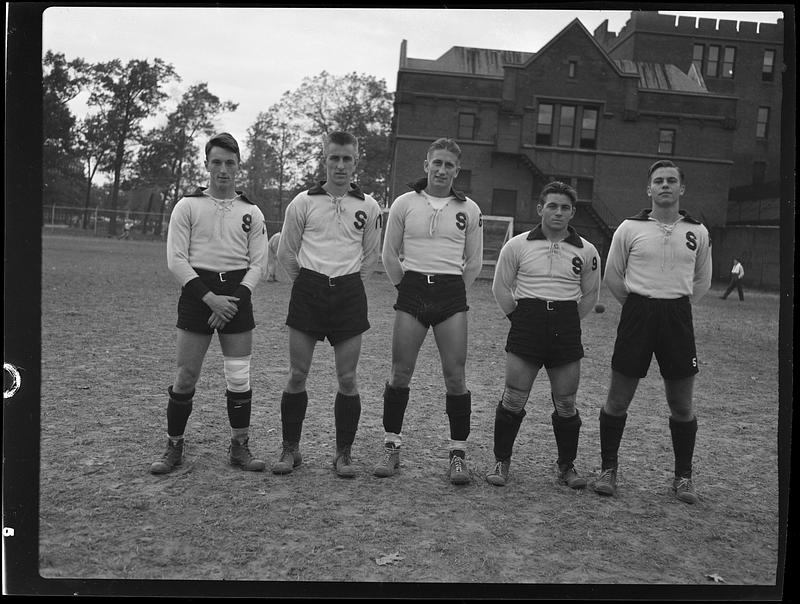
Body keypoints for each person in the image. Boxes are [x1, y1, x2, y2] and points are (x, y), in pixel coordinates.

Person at [594, 159, 712, 504]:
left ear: (681, 188)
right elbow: (614, 276)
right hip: (638, 313)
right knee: (618, 398)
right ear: (649, 189)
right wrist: (639, 306)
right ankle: (608, 469)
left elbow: (702, 280)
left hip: (677, 315)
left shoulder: (698, 232)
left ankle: (683, 477)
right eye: (658, 181)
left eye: (671, 181)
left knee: (681, 402)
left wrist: (674, 303)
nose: (664, 186)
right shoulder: (629, 228)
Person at [150, 132, 268, 474]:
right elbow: (176, 259)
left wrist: (234, 300)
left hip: (236, 295)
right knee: (186, 376)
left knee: (239, 377)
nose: (223, 169)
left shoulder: (252, 211)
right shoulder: (187, 206)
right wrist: (210, 299)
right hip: (198, 294)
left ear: (238, 166)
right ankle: (173, 447)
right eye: (216, 162)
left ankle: (239, 447)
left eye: (230, 163)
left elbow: (259, 263)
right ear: (206, 164)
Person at [373, 137, 484, 485]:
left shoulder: (470, 209)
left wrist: (453, 292)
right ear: (426, 165)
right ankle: (391, 445)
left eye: (449, 164)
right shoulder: (405, 203)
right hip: (413, 288)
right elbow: (389, 253)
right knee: (400, 372)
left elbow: (475, 261)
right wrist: (405, 288)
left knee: (455, 375)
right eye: (437, 162)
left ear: (457, 170)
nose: (442, 169)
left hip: (451, 292)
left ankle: (458, 453)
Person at [273, 131, 383, 478]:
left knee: (348, 379)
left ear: (355, 161)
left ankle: (343, 454)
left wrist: (347, 284)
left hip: (349, 294)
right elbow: (286, 253)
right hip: (309, 291)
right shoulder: (302, 202)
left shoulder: (368, 206)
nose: (340, 165)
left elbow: (371, 255)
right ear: (325, 159)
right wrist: (309, 283)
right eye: (333, 158)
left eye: (346, 158)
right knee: (296, 375)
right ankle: (291, 449)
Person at [487, 181, 601, 488]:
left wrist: (566, 320)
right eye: (552, 205)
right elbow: (500, 287)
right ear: (540, 209)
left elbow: (590, 294)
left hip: (565, 325)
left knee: (566, 402)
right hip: (527, 322)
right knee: (513, 397)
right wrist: (520, 318)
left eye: (565, 207)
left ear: (572, 213)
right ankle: (501, 461)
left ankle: (566, 466)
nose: (558, 212)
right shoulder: (518, 245)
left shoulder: (587, 251)